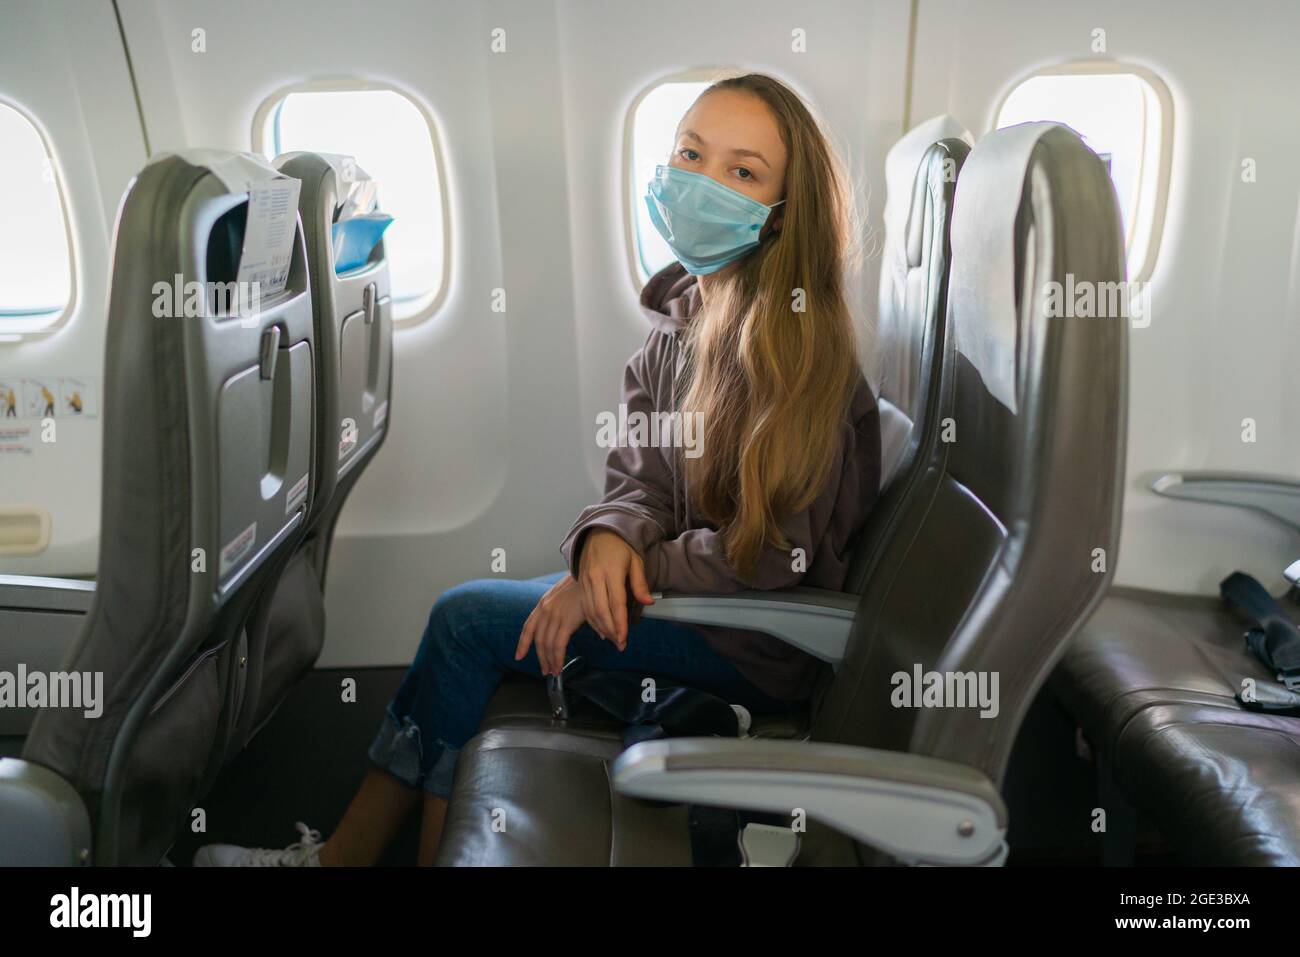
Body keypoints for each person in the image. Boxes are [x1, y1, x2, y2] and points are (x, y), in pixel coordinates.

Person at [194, 72, 881, 868]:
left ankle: (344, 857)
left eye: (742, 172)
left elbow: (767, 558)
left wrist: (617, 575)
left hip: (751, 639)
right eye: (690, 155)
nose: (702, 183)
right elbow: (640, 477)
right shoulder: (684, 316)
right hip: (691, 603)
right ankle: (344, 858)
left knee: (466, 622)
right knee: (473, 625)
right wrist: (606, 541)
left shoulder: (797, 356)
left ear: (782, 216)